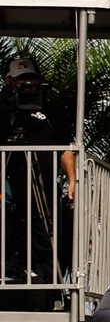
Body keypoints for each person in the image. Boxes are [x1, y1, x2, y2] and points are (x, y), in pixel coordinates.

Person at [0, 58, 75, 284]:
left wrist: (73, 181)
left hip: (44, 185)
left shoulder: (50, 111)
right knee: (9, 227)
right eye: (21, 80)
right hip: (11, 182)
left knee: (47, 231)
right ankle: (10, 270)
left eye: (31, 79)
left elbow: (65, 149)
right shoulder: (2, 108)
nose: (28, 84)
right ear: (9, 81)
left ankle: (47, 281)